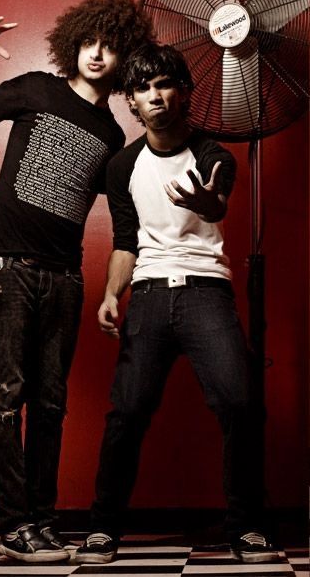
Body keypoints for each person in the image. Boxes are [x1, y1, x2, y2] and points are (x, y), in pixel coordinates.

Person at [0, 0, 153, 563]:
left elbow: (135, 213)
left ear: (124, 56)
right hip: (6, 267)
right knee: (7, 396)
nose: (98, 54)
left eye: (111, 46)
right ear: (74, 44)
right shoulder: (38, 88)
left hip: (64, 277)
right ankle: (13, 526)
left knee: (50, 406)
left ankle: (41, 521)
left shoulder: (112, 138)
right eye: (90, 42)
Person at [75, 43, 278, 565]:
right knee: (127, 411)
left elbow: (218, 197)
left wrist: (209, 202)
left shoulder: (213, 154)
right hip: (146, 293)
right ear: (132, 102)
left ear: (183, 91)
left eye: (164, 84)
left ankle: (247, 526)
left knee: (239, 402)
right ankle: (102, 528)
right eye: (143, 88)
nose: (155, 96)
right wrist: (108, 294)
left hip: (206, 290)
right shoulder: (121, 166)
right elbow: (126, 239)